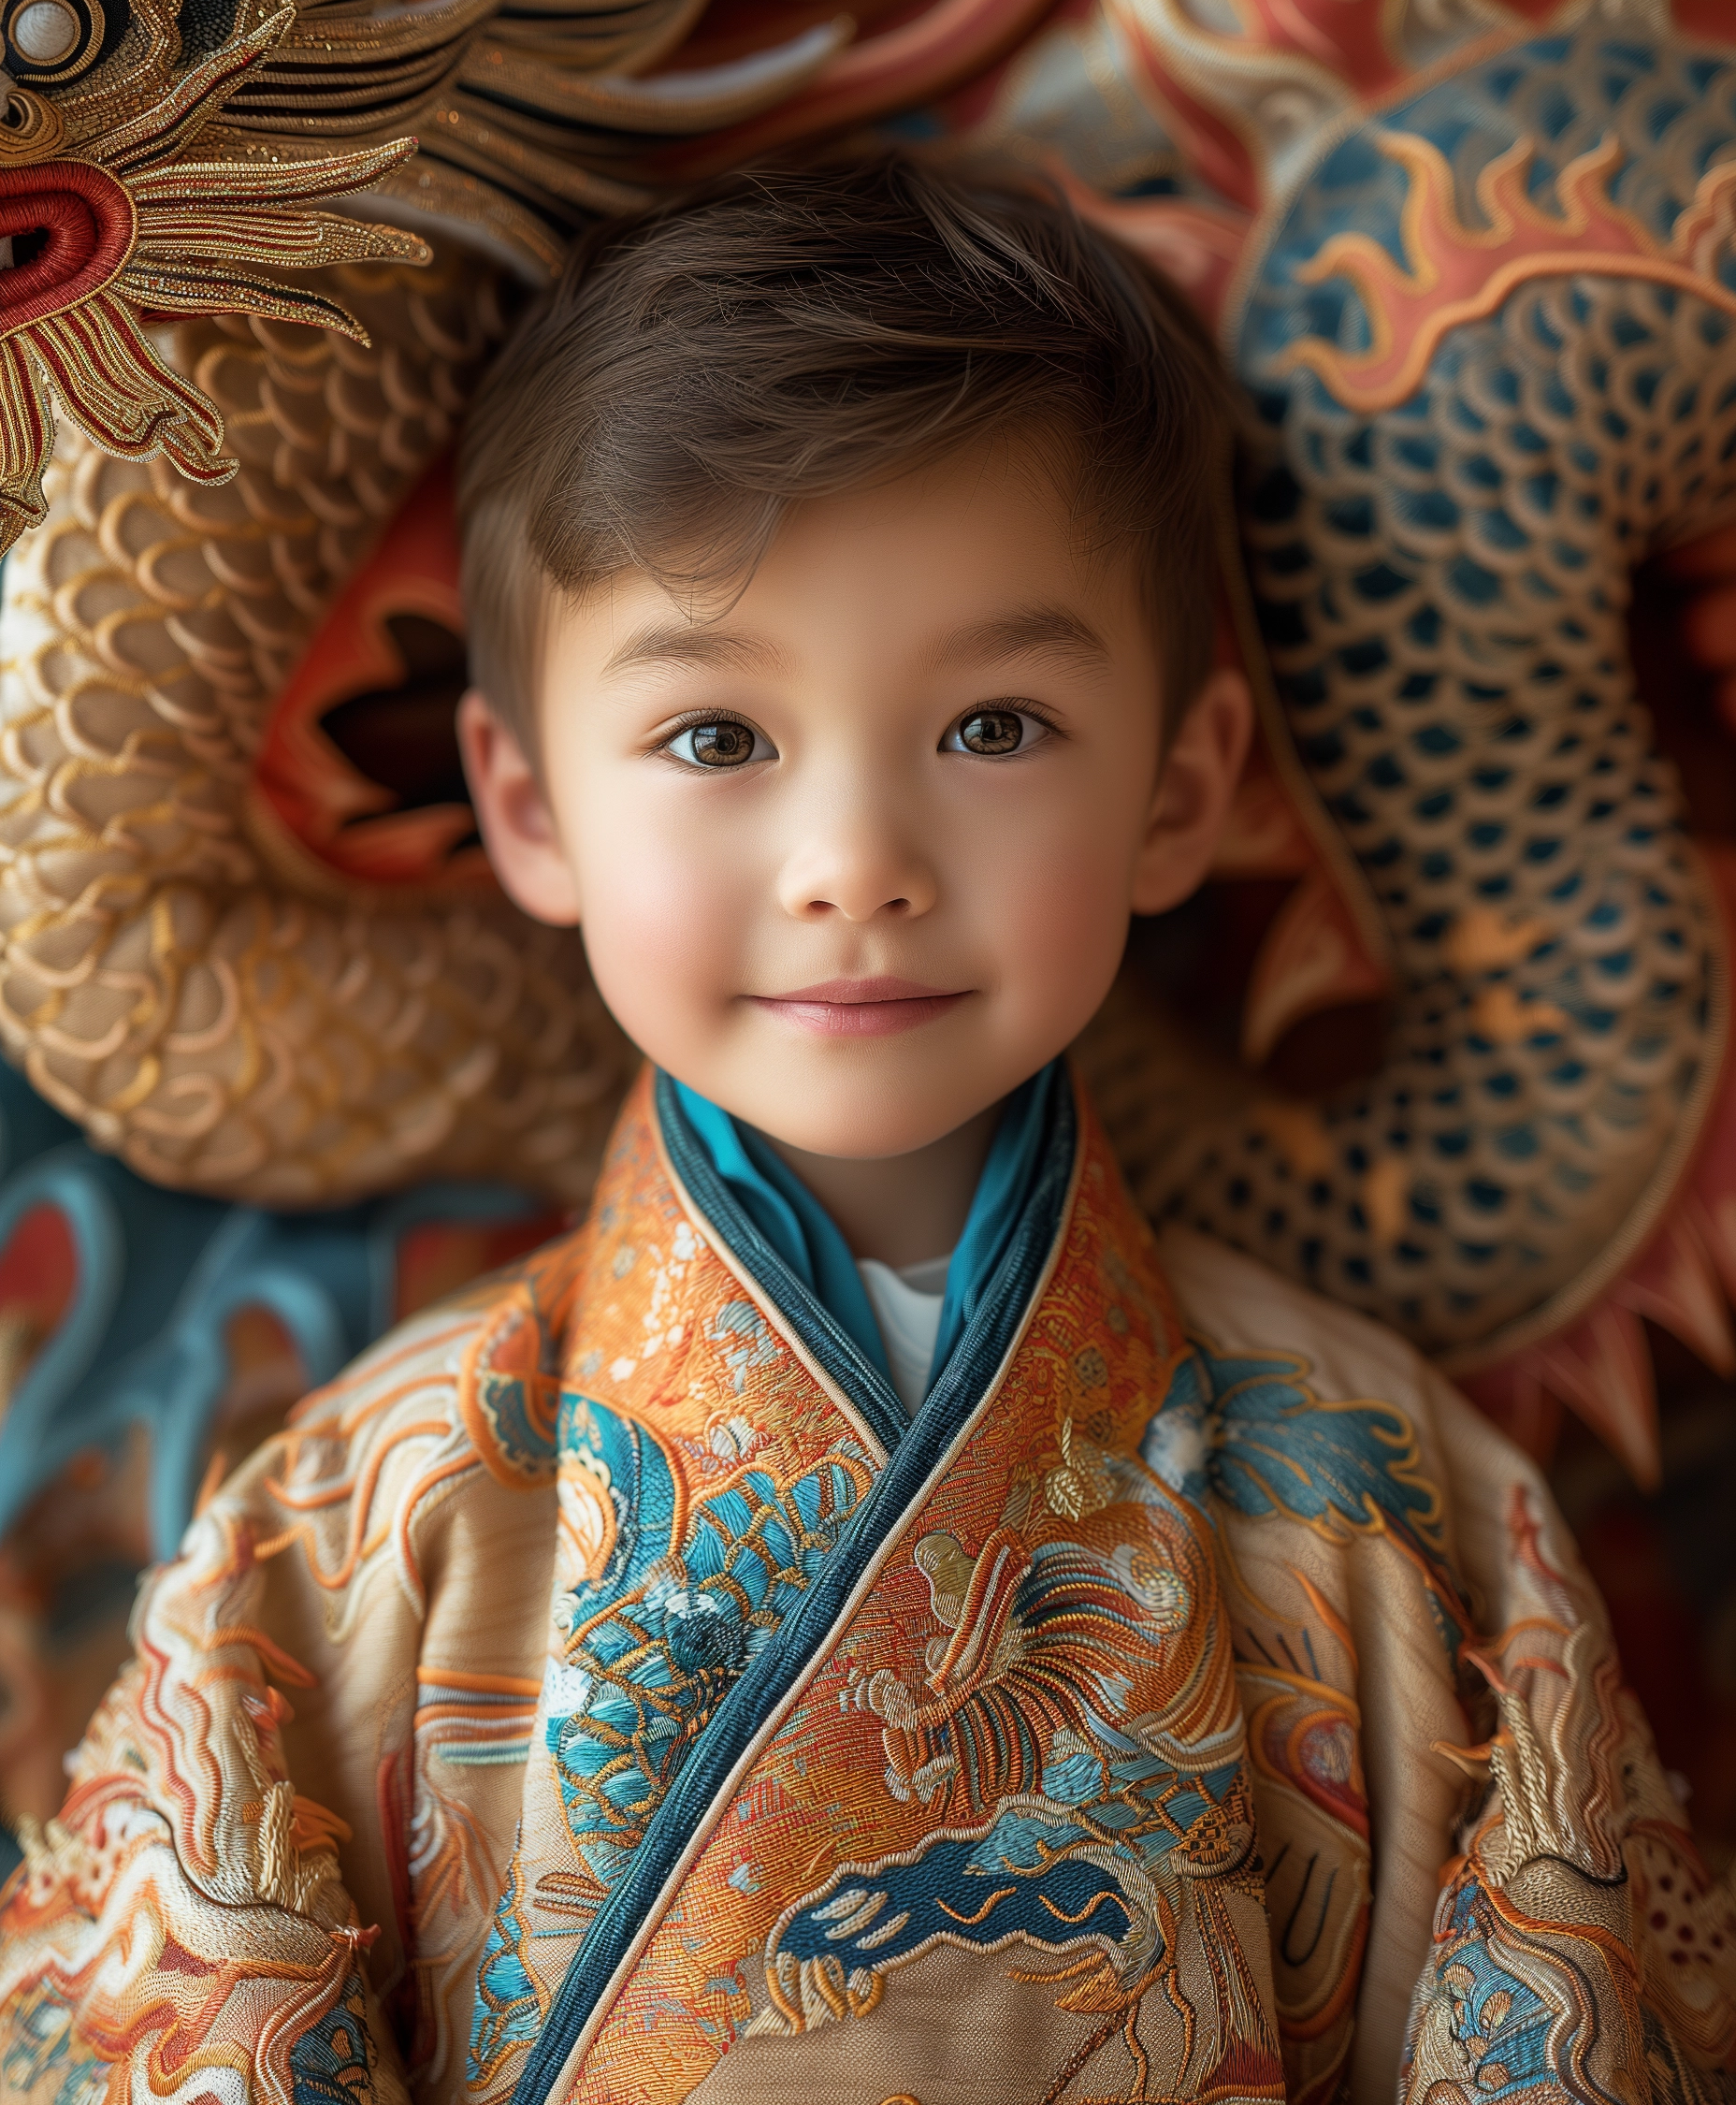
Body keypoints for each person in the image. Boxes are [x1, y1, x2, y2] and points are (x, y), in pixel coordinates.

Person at [0, 155, 1727, 2105]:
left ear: (1184, 789)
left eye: (992, 726)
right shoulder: (346, 1526)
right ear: (531, 805)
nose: (857, 867)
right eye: (717, 737)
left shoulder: (1394, 1499)